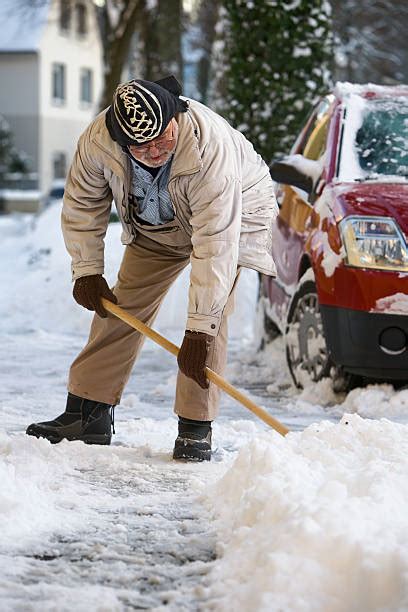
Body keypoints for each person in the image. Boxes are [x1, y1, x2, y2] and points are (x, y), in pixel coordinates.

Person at [26, 76, 278, 461]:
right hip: (156, 221)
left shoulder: (210, 150)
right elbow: (82, 205)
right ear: (122, 142)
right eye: (142, 147)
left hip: (235, 215)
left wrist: (199, 330)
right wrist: (88, 270)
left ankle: (196, 427)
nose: (156, 151)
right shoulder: (97, 143)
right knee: (119, 306)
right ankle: (88, 412)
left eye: (163, 139)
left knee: (212, 321)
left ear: (175, 115)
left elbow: (216, 245)